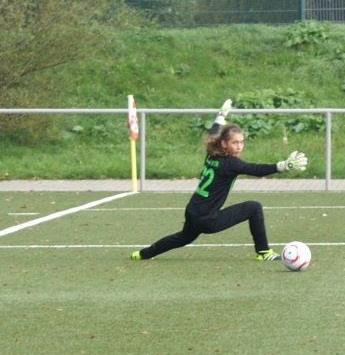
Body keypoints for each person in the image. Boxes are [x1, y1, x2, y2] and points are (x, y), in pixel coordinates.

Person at [131, 100, 307, 262]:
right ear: (224, 144)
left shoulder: (212, 151)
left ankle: (143, 254)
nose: (239, 147)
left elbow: (213, 133)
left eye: (241, 142)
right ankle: (263, 252)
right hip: (207, 220)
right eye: (235, 143)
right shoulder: (231, 163)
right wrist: (284, 165)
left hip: (192, 211)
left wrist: (220, 116)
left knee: (183, 238)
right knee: (254, 207)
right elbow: (256, 169)